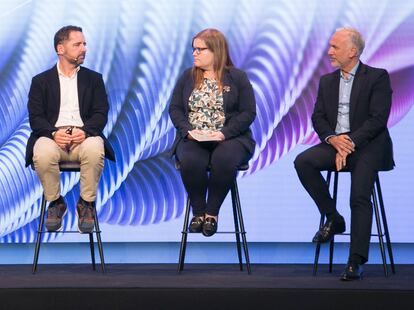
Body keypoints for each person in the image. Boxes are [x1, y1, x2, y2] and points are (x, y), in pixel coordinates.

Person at [294, 27, 394, 280]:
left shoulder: (377, 77)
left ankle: (355, 260)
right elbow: (318, 117)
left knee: (358, 196)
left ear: (353, 51)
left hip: (368, 144)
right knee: (303, 161)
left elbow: (378, 120)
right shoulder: (327, 81)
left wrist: (348, 143)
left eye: (334, 47)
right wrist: (333, 140)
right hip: (336, 142)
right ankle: (333, 218)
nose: (329, 52)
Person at [26, 25, 115, 233]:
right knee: (42, 151)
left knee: (95, 147)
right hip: (52, 136)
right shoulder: (40, 81)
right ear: (61, 48)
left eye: (84, 44)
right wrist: (53, 134)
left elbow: (101, 113)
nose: (83, 48)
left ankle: (86, 204)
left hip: (84, 137)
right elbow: (35, 118)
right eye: (77, 44)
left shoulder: (94, 79)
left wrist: (85, 131)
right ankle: (56, 202)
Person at [169, 28, 256, 237]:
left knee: (224, 158)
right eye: (194, 49)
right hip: (194, 137)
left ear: (216, 52)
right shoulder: (187, 77)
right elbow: (175, 109)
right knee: (190, 160)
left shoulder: (237, 77)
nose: (195, 53)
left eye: (200, 49)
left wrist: (224, 133)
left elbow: (248, 112)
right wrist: (188, 131)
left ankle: (212, 213)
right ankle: (198, 212)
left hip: (230, 138)